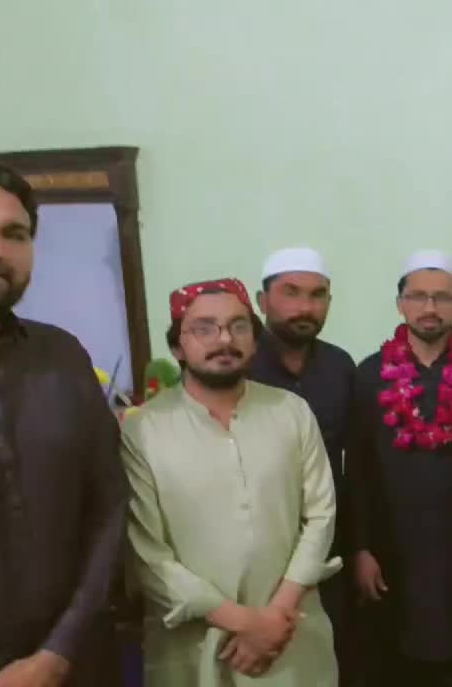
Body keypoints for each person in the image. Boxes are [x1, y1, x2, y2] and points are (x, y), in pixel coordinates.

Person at [0, 160, 127, 687]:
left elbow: (108, 505)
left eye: (15, 234)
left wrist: (57, 652)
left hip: (78, 665)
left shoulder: (62, 357)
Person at [120, 278, 341, 686]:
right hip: (195, 648)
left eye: (238, 326)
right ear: (177, 346)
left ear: (254, 341)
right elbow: (148, 553)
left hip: (292, 635)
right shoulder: (144, 430)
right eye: (204, 328)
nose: (224, 339)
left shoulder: (291, 411)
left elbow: (321, 515)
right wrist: (246, 624)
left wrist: (275, 616)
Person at [346, 249, 452, 686]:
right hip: (392, 550)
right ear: (400, 304)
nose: (430, 307)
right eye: (418, 296)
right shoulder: (369, 375)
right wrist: (360, 548)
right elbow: (357, 470)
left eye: (442, 297)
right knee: (393, 662)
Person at [249, 246, 359, 684]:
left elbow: (358, 461)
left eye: (317, 295)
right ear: (262, 300)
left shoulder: (339, 366)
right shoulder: (238, 365)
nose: (304, 307)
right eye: (290, 292)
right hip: (258, 548)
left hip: (330, 547)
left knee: (332, 659)